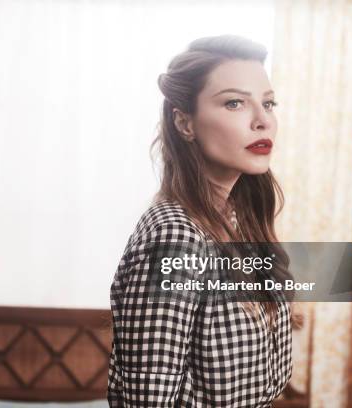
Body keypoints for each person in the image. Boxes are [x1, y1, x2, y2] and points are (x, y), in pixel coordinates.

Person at [107, 35, 297, 407]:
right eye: (234, 103)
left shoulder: (238, 223)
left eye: (268, 103)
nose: (263, 121)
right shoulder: (175, 235)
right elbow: (147, 402)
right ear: (185, 123)